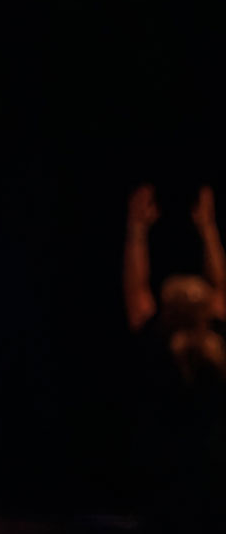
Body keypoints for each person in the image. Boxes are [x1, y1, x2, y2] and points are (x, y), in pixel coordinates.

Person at [123, 184, 226, 532]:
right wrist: (208, 229)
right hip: (212, 471)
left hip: (162, 469)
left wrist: (137, 230)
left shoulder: (157, 344)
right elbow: (222, 286)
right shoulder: (218, 345)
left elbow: (136, 291)